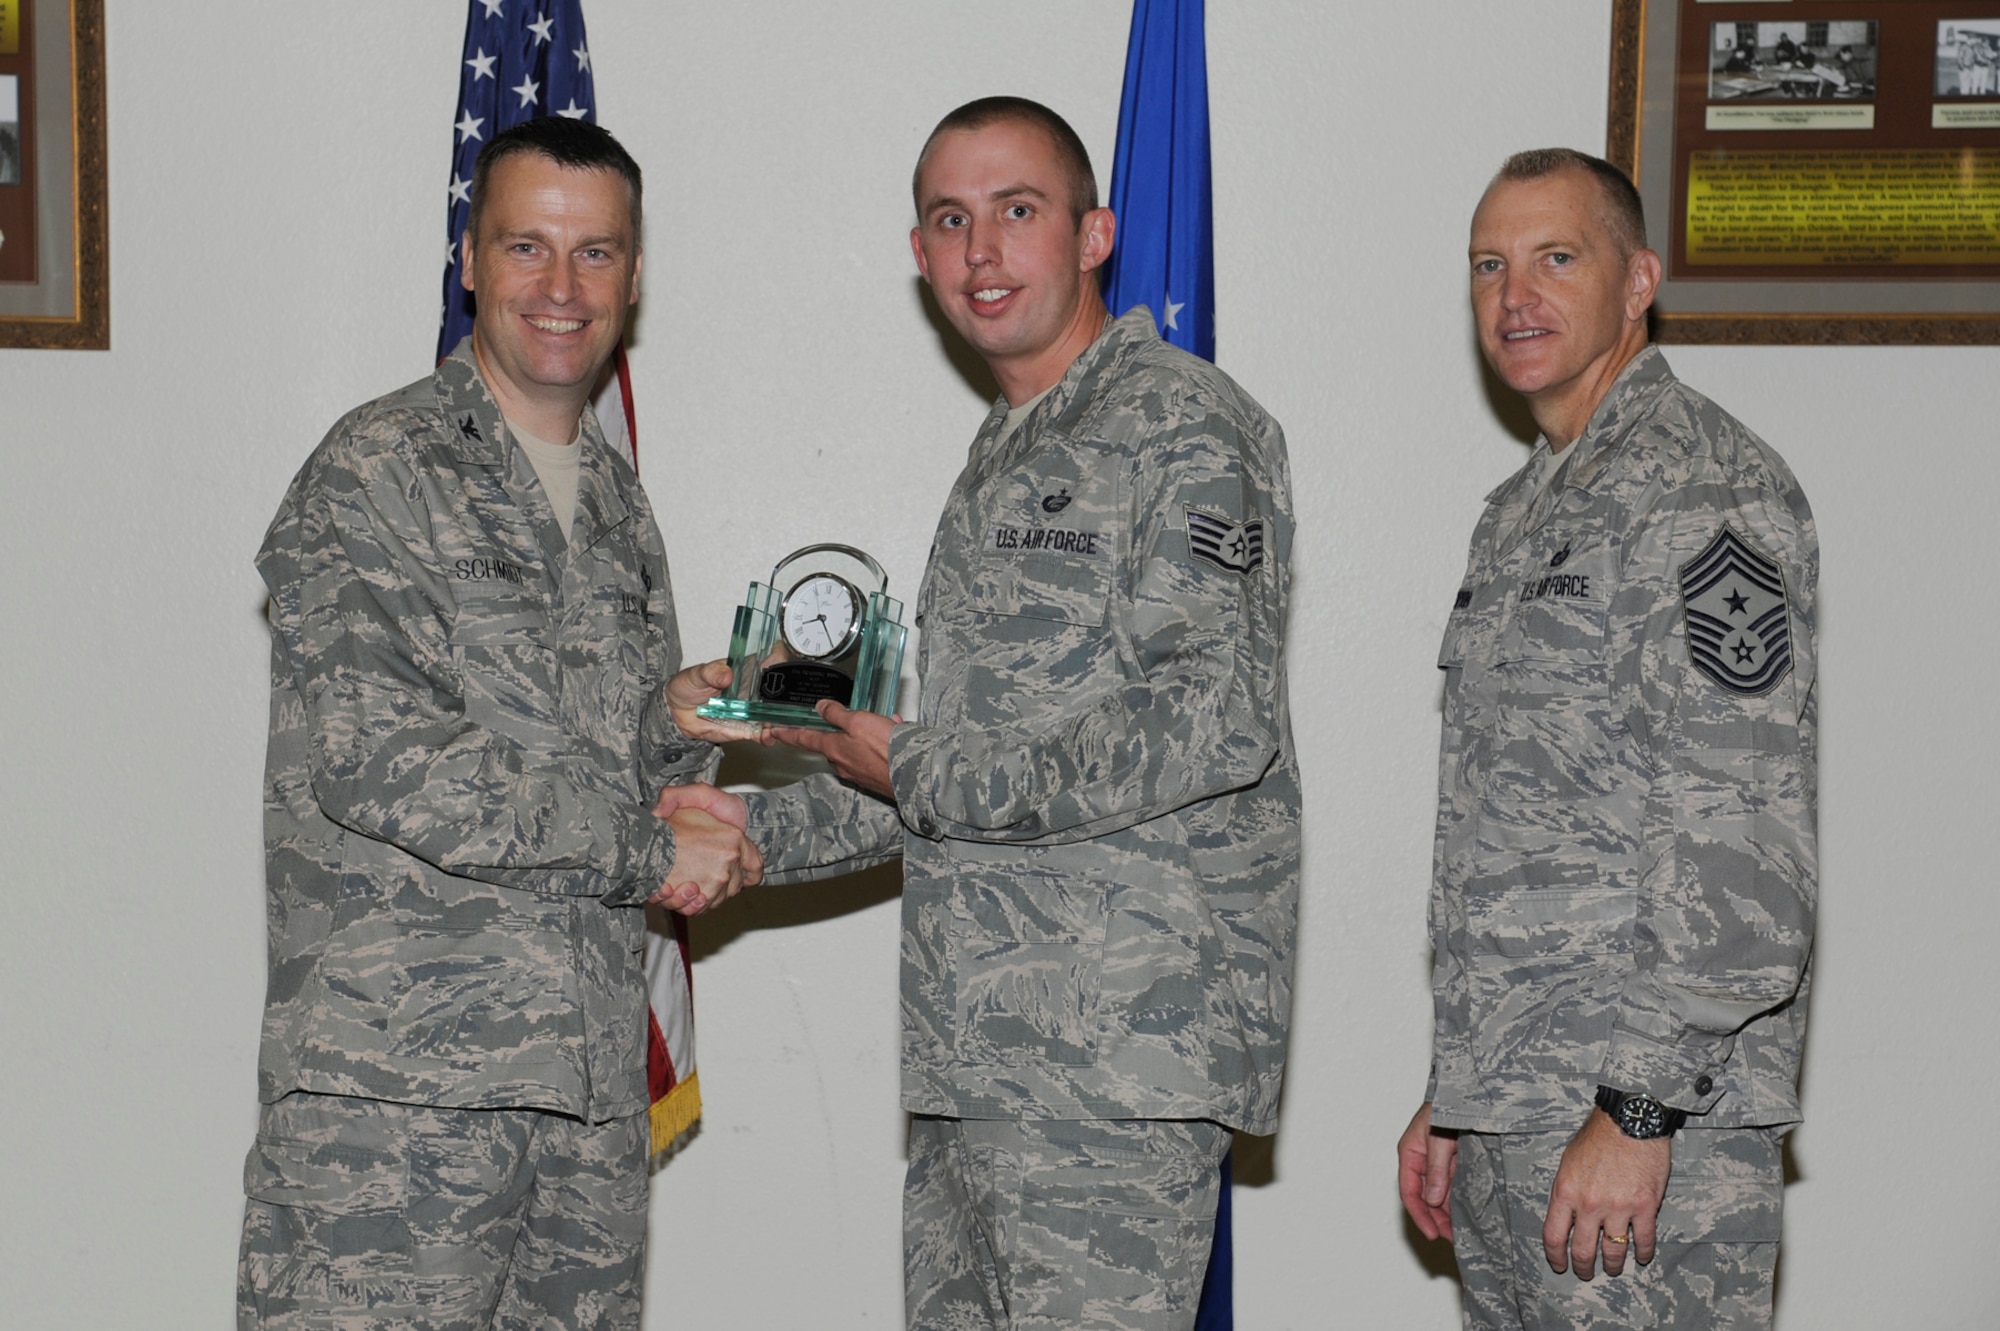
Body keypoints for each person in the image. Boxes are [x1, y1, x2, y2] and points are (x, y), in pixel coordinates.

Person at [676, 97, 1300, 1331]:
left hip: (1111, 1063)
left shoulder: (1176, 422)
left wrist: (921, 763)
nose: (981, 251)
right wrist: (744, 833)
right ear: (919, 256)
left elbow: (1210, 717)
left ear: (1093, 234)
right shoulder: (1006, 449)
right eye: (949, 221)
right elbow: (956, 772)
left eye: (1017, 212)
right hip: (984, 1054)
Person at [237, 116, 760, 1330]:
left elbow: (601, 768)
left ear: (632, 273)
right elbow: (387, 763)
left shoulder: (616, 501)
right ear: (468, 258)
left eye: (595, 254)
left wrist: (685, 721)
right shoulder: (375, 469)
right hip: (396, 1114)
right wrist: (650, 847)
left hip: (581, 1110)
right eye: (527, 247)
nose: (561, 288)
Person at [1397, 149, 1817, 1330]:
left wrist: (1637, 1110)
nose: (1512, 294)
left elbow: (1738, 835)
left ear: (1636, 283)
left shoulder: (1702, 489)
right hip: (1520, 1112)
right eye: (1489, 264)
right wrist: (1455, 1094)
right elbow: (1519, 827)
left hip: (1643, 1134)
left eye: (1553, 258)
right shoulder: (1520, 510)